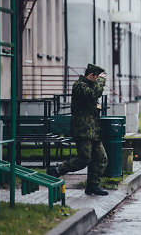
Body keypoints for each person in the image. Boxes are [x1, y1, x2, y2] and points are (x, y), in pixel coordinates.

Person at [47, 64, 109, 195]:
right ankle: (57, 170)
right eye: (97, 78)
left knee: (101, 158)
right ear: (91, 75)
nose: (99, 81)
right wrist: (101, 81)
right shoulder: (79, 86)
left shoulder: (90, 86)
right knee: (84, 158)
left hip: (94, 131)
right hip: (83, 130)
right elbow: (94, 95)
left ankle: (93, 185)